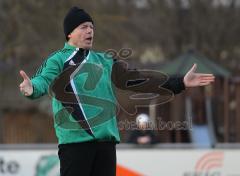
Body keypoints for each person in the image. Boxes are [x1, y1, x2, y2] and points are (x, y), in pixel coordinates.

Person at [19, 6, 215, 176]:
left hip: (106, 145)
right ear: (69, 33)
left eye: (92, 27)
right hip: (75, 145)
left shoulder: (105, 60)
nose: (90, 31)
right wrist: (32, 88)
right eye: (84, 27)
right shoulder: (58, 59)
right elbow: (43, 80)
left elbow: (137, 80)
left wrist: (179, 82)